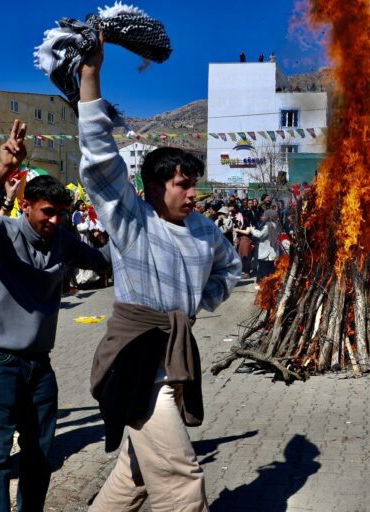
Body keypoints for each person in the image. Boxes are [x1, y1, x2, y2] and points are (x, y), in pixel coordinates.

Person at [78, 36, 241, 511]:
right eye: (182, 185)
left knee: (133, 480)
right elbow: (101, 161)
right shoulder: (132, 220)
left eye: (195, 184)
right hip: (136, 361)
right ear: (153, 187)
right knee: (181, 479)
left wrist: (198, 305)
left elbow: (229, 268)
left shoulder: (206, 230)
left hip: (175, 356)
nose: (193, 194)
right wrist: (90, 77)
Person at [0, 120, 110, 512]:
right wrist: (3, 168)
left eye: (61, 213)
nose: (55, 220)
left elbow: (105, 262)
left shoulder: (63, 240)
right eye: (47, 212)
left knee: (40, 454)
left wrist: (136, 229)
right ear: (25, 205)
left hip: (39, 367)